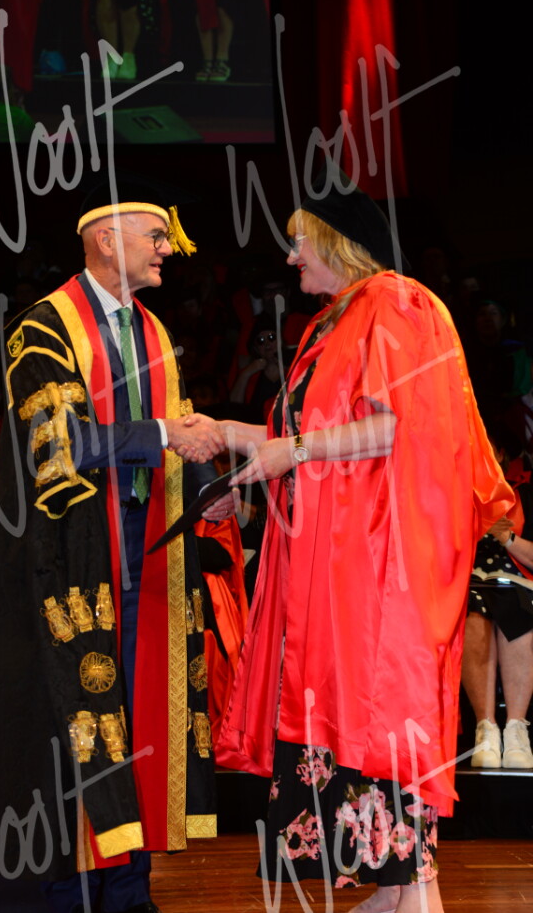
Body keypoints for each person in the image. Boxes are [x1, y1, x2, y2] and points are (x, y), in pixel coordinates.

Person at [208, 162, 515, 913]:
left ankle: (410, 892)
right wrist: (220, 431)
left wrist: (291, 451)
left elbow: (391, 428)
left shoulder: (394, 302)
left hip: (377, 569)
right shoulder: (335, 322)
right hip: (334, 571)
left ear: (338, 242)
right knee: (356, 742)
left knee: (380, 727)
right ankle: (400, 890)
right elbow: (303, 434)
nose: (290, 257)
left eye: (300, 241)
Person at [0, 178, 224, 913]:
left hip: (148, 552)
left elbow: (178, 421)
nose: (168, 248)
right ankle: (71, 891)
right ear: (107, 239)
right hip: (70, 561)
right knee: (76, 722)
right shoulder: (42, 329)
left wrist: (209, 486)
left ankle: (127, 888)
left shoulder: (154, 334)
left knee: (139, 717)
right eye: (156, 235)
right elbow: (58, 443)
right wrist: (165, 436)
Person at [462, 429, 533, 769]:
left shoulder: (525, 493)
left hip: (517, 581)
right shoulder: (457, 493)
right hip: (468, 582)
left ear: (501, 453)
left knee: (516, 606)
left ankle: (516, 728)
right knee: (473, 612)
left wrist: (506, 537)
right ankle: (485, 729)